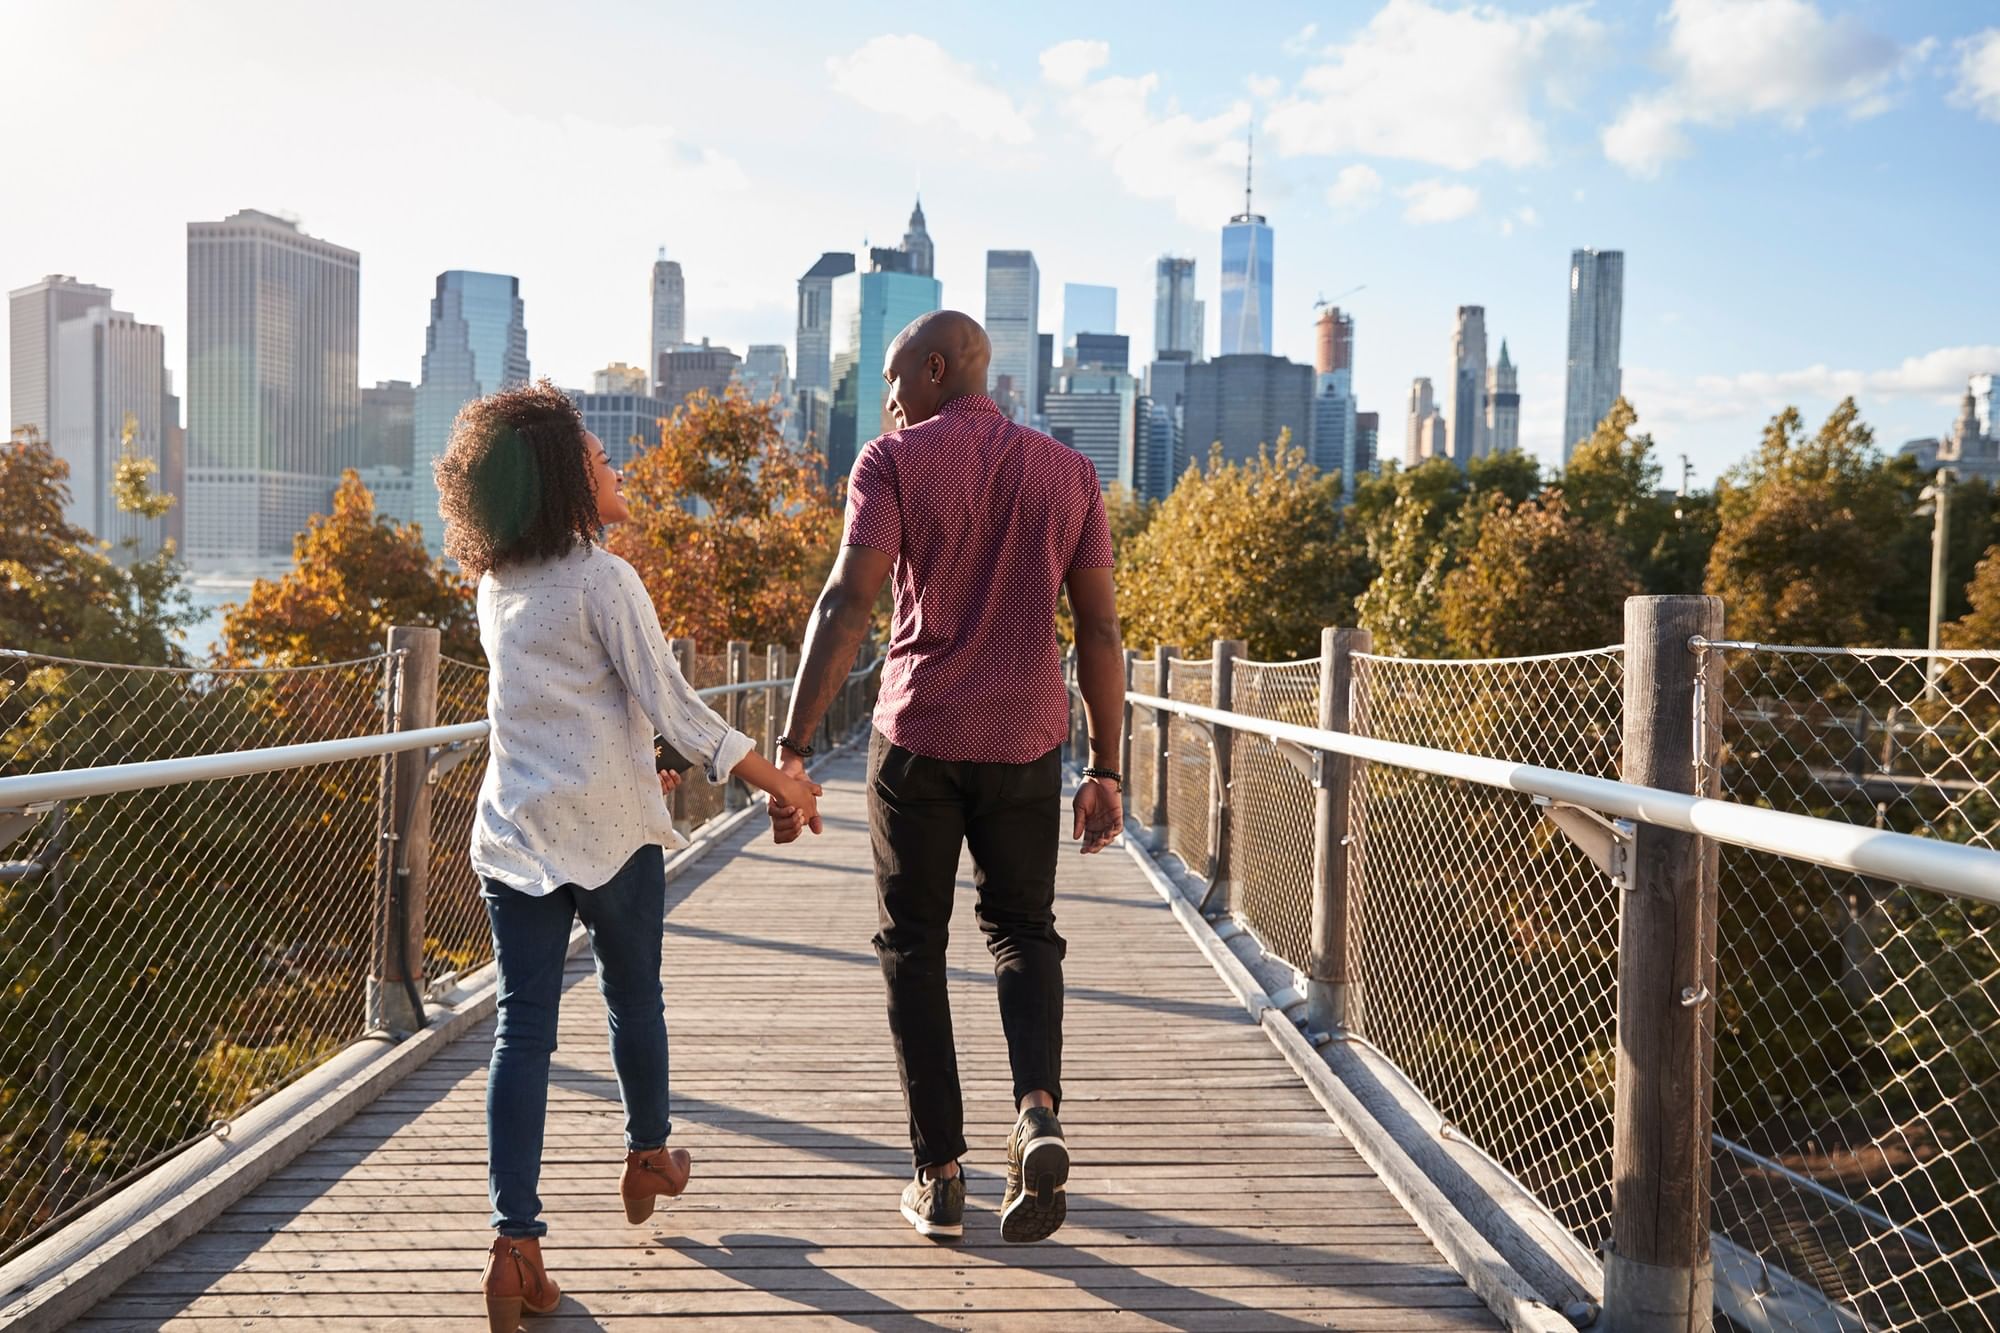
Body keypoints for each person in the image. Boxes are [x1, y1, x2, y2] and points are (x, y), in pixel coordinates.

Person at [434, 381, 824, 1330]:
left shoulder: (497, 586)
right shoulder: (603, 577)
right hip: (610, 835)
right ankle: (649, 1151)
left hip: (517, 835)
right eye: (602, 459)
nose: (618, 469)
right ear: (567, 475)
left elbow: (562, 704)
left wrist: (639, 751)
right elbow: (672, 700)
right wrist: (776, 779)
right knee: (632, 996)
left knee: (521, 1032)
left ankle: (515, 1244)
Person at [768, 311, 1126, 1243]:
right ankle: (1038, 1109)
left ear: (937, 369)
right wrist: (1107, 766)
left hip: (920, 736)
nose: (886, 401)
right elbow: (1099, 631)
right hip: (1026, 740)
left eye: (893, 380)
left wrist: (795, 746)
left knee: (912, 945)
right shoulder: (1071, 472)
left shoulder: (891, 464)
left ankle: (939, 1171)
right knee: (1022, 930)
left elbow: (850, 602)